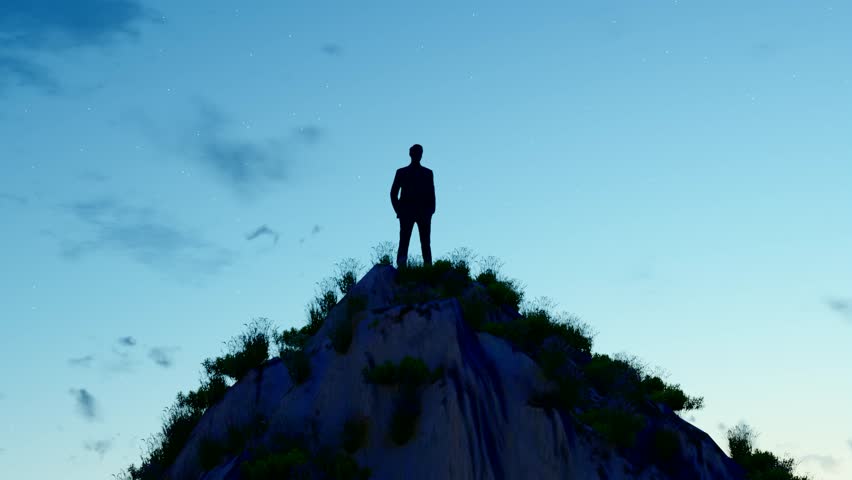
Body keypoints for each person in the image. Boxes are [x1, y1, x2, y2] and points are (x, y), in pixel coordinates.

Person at [390, 144, 435, 268]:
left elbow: (432, 194)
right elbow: (393, 193)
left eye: (419, 153)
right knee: (404, 241)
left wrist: (431, 211)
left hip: (423, 213)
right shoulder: (401, 172)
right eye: (415, 153)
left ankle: (428, 268)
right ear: (411, 154)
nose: (417, 155)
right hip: (407, 212)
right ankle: (401, 267)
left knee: (425, 243)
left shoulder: (428, 173)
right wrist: (399, 210)